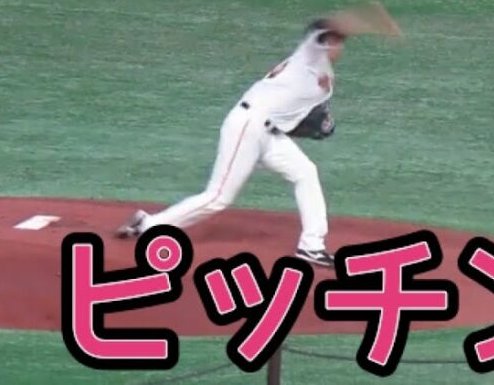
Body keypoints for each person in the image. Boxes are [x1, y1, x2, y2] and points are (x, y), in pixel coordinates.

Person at [115, 17, 357, 268]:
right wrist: (365, 21)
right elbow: (324, 27)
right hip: (247, 125)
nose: (335, 47)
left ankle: (312, 246)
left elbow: (295, 117)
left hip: (269, 133)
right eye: (332, 41)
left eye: (339, 43)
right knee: (218, 197)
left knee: (305, 172)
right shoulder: (308, 54)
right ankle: (148, 224)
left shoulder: (326, 77)